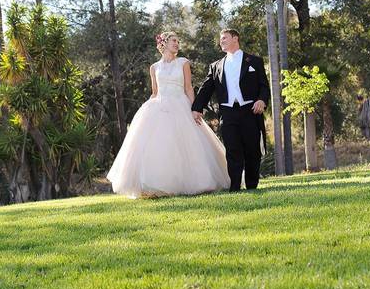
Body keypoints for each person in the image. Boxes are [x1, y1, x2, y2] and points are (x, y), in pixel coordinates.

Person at [107, 32, 231, 198]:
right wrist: (146, 109)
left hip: (181, 105)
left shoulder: (183, 63)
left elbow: (188, 88)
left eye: (178, 41)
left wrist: (195, 109)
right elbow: (155, 92)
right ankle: (155, 186)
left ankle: (200, 182)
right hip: (159, 107)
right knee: (159, 146)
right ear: (163, 43)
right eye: (174, 41)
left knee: (190, 144)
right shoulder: (154, 67)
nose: (177, 44)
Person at [192, 29, 271, 191]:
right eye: (220, 39)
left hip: (250, 111)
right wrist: (197, 108)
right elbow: (206, 89)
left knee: (252, 151)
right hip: (228, 113)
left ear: (236, 38)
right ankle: (235, 187)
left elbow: (264, 85)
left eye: (224, 38)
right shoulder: (215, 66)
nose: (221, 41)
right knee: (232, 150)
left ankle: (251, 186)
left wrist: (261, 100)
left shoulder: (254, 61)